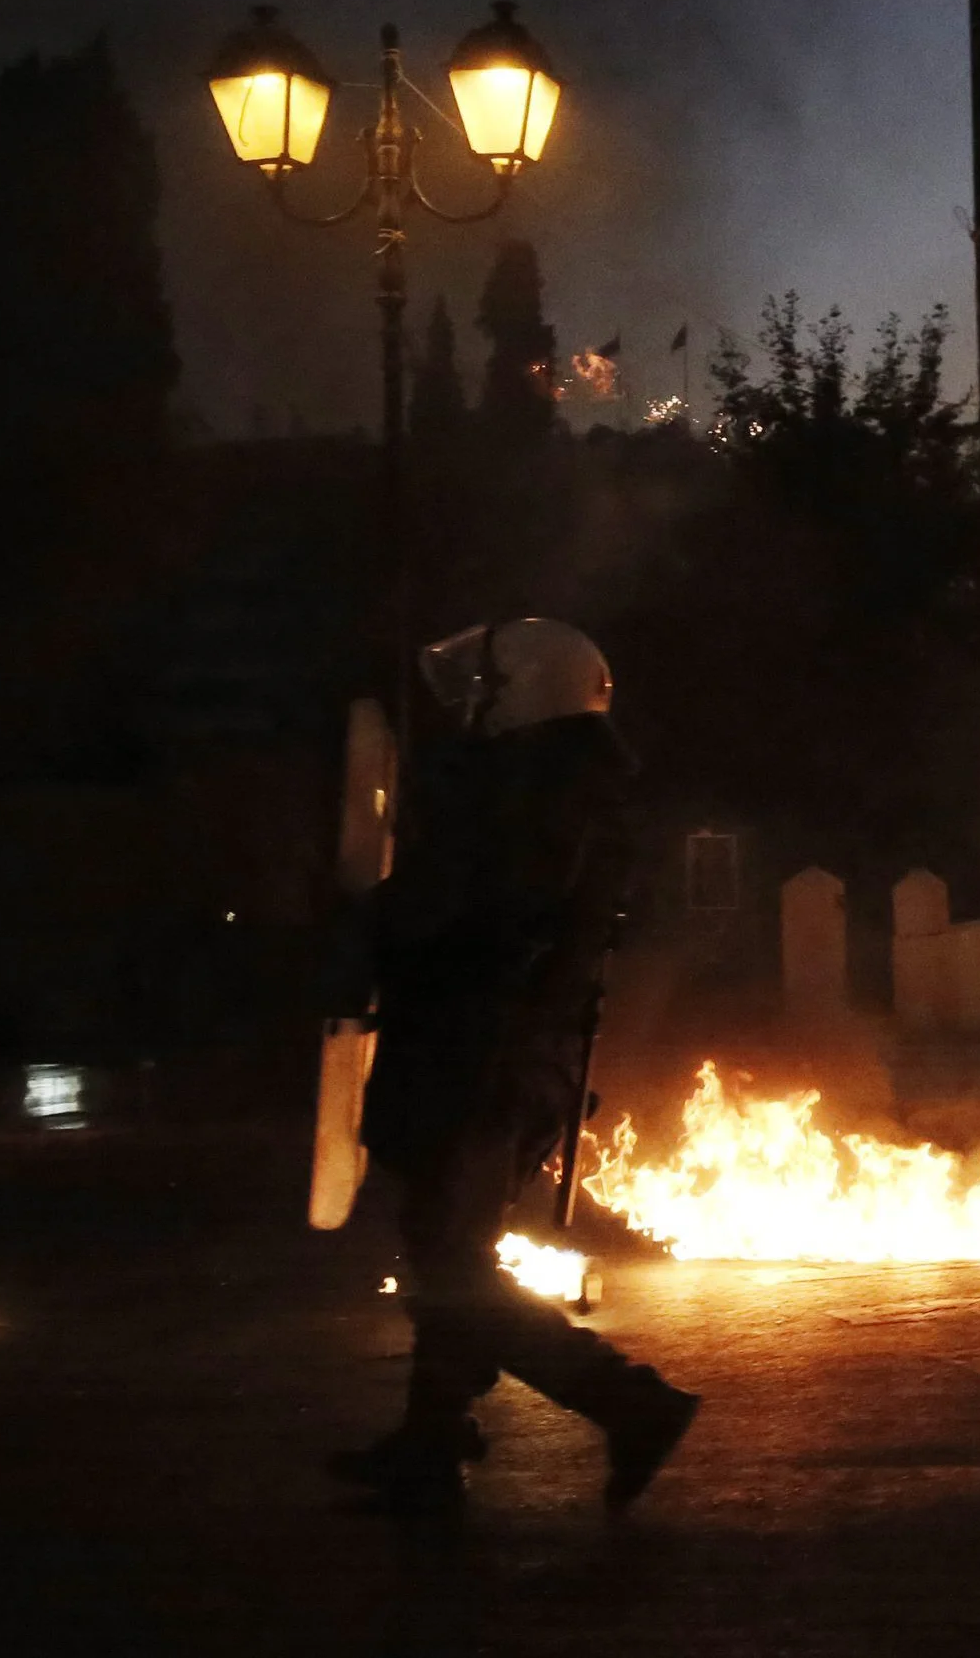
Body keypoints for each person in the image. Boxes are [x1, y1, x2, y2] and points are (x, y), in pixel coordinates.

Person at [332, 619, 697, 1514]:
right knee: (441, 1244)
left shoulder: (533, 798)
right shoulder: (561, 788)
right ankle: (430, 1434)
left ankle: (630, 1404)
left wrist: (364, 919)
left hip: (483, 1054)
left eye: (486, 689)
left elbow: (455, 914)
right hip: (499, 1049)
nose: (471, 707)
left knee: (452, 1265)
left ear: (524, 694)